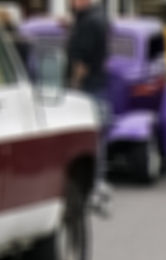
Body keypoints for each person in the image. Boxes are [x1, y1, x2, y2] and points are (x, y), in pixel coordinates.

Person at [65, 0, 109, 198]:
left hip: (87, 88)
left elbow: (81, 62)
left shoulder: (89, 23)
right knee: (96, 136)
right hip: (96, 86)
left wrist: (74, 87)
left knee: (88, 137)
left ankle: (93, 183)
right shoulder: (96, 19)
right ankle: (95, 181)